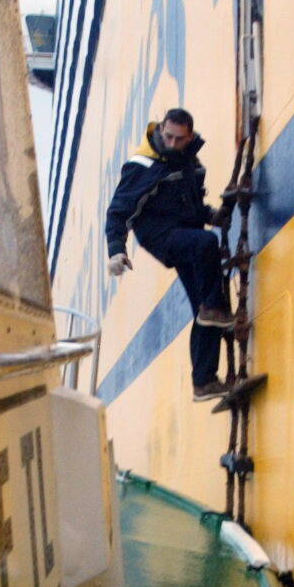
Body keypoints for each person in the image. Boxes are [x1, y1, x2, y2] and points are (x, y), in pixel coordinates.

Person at [105, 107, 234, 401]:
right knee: (206, 244)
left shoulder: (192, 164)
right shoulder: (143, 165)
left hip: (185, 232)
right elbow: (119, 211)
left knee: (206, 310)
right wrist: (116, 250)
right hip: (159, 235)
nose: (173, 143)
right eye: (168, 136)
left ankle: (203, 382)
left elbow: (193, 206)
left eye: (180, 139)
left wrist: (213, 215)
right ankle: (214, 310)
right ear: (161, 128)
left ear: (190, 137)